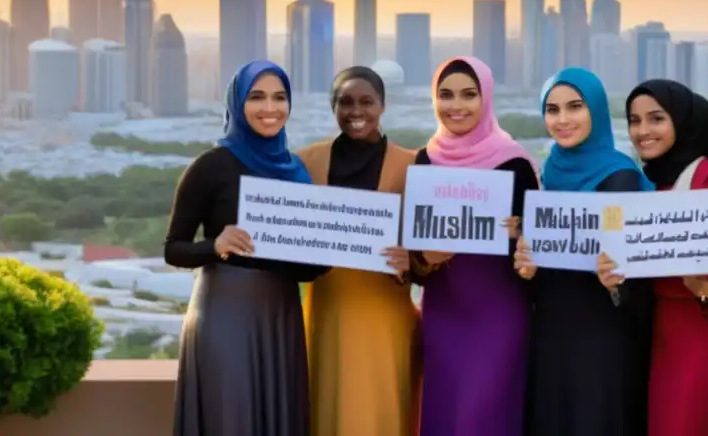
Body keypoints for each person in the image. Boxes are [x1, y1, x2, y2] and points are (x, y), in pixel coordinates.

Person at [164, 60, 326, 436]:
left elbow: (300, 267)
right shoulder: (210, 166)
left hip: (280, 313)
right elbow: (173, 249)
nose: (270, 108)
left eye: (279, 97)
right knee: (230, 413)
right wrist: (215, 245)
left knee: (278, 414)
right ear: (237, 104)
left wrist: (326, 254)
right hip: (224, 312)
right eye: (257, 97)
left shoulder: (296, 171)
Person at [514, 67, 652, 436]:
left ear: (596, 110)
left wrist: (617, 282)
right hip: (551, 330)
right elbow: (550, 266)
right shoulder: (549, 171)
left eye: (575, 107)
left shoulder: (621, 177)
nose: (562, 119)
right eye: (552, 109)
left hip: (600, 334)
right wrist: (528, 268)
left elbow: (642, 280)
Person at [407, 56, 538, 436]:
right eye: (445, 95)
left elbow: (538, 254)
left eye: (469, 94)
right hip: (443, 315)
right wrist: (425, 261)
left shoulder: (515, 164)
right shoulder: (425, 161)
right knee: (445, 418)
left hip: (499, 316)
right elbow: (415, 261)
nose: (456, 106)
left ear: (487, 99)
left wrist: (521, 241)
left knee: (482, 419)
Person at [296, 66, 421, 436]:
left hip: (385, 312)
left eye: (367, 101)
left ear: (382, 105)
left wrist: (410, 262)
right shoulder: (306, 163)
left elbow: (428, 250)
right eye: (345, 102)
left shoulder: (413, 165)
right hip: (327, 309)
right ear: (332, 107)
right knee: (328, 411)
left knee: (383, 413)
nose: (356, 111)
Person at [624, 79, 708, 436]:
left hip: (700, 336)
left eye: (656, 119)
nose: (643, 131)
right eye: (634, 120)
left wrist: (704, 288)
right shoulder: (652, 183)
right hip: (663, 334)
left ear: (682, 121)